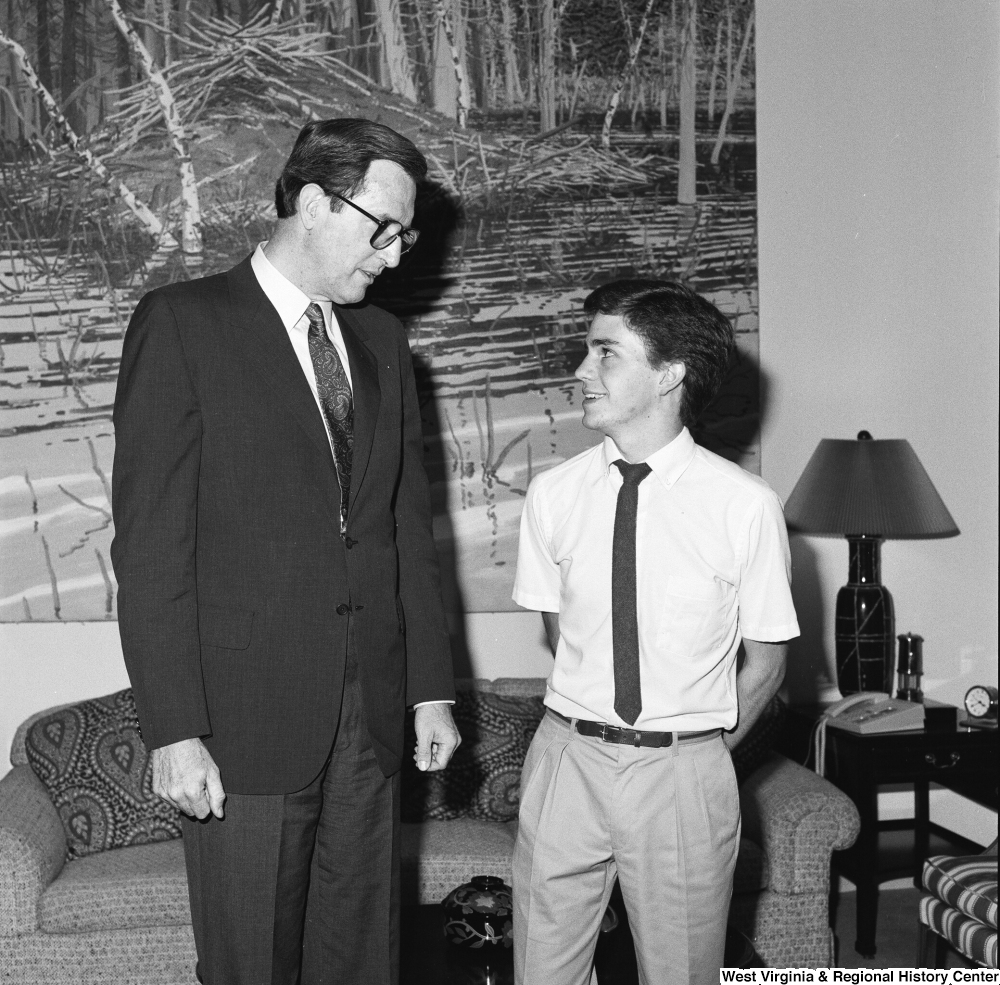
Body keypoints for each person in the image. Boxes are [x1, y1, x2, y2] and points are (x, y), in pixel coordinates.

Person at [111, 118, 460, 985]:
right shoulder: (184, 323)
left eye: (406, 234)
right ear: (312, 202)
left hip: (371, 720)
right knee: (250, 965)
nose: (394, 255)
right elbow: (153, 548)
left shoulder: (383, 342)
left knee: (363, 962)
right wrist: (175, 728)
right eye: (384, 228)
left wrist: (429, 690)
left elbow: (404, 534)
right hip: (242, 722)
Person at [511, 279, 800, 985]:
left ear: (669, 373)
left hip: (681, 773)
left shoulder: (745, 506)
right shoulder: (553, 494)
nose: (581, 370)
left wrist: (691, 754)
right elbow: (561, 634)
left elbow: (765, 666)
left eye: (605, 353)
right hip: (565, 760)